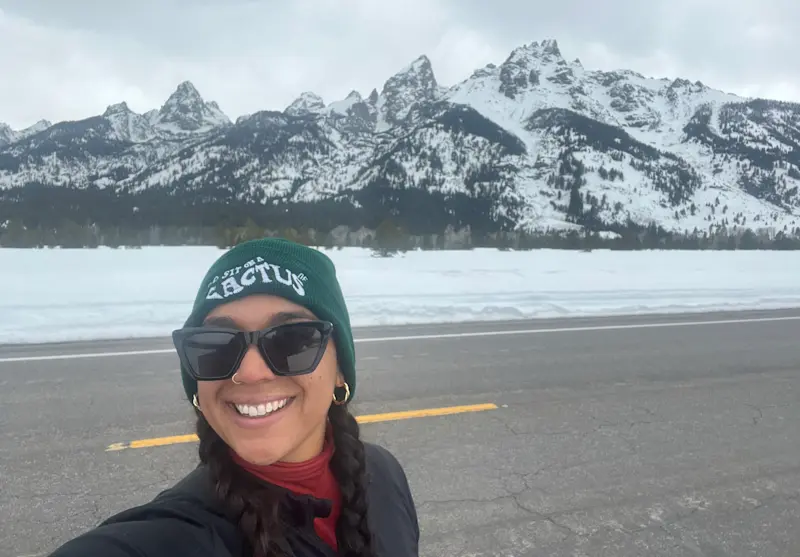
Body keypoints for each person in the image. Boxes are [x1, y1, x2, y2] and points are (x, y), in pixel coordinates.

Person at [49, 237, 420, 557]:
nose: (249, 372)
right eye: (216, 347)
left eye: (293, 341)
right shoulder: (180, 533)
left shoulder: (382, 475)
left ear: (341, 370)